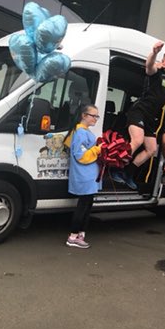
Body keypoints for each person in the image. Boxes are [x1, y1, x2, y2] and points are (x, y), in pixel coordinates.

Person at [114, 42, 165, 189]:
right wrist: (154, 53)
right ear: (163, 61)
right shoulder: (157, 72)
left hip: (150, 118)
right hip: (139, 111)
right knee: (137, 140)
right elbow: (149, 66)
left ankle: (128, 173)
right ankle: (115, 168)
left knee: (151, 149)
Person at [65, 103, 102, 249]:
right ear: (84, 115)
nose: (95, 119)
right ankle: (73, 236)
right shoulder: (80, 133)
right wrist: (98, 150)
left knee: (87, 206)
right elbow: (81, 156)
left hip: (89, 176)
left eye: (96, 116)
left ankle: (81, 234)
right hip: (84, 176)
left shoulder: (84, 131)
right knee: (83, 206)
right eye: (93, 116)